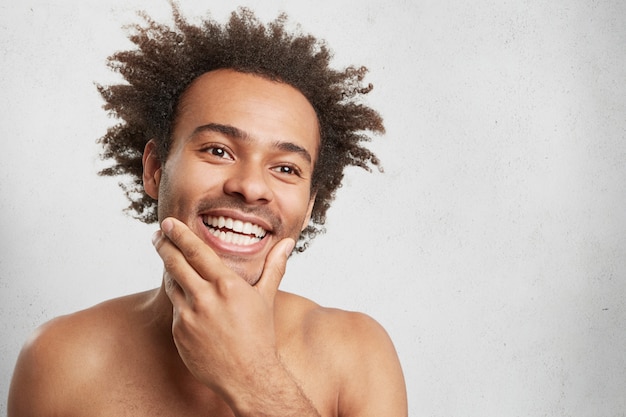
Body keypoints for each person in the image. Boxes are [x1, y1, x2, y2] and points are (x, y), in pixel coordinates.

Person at [8, 4, 407, 416]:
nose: (251, 187)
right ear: (155, 169)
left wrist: (253, 377)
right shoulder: (58, 359)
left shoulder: (359, 355)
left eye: (286, 168)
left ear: (310, 207)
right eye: (218, 150)